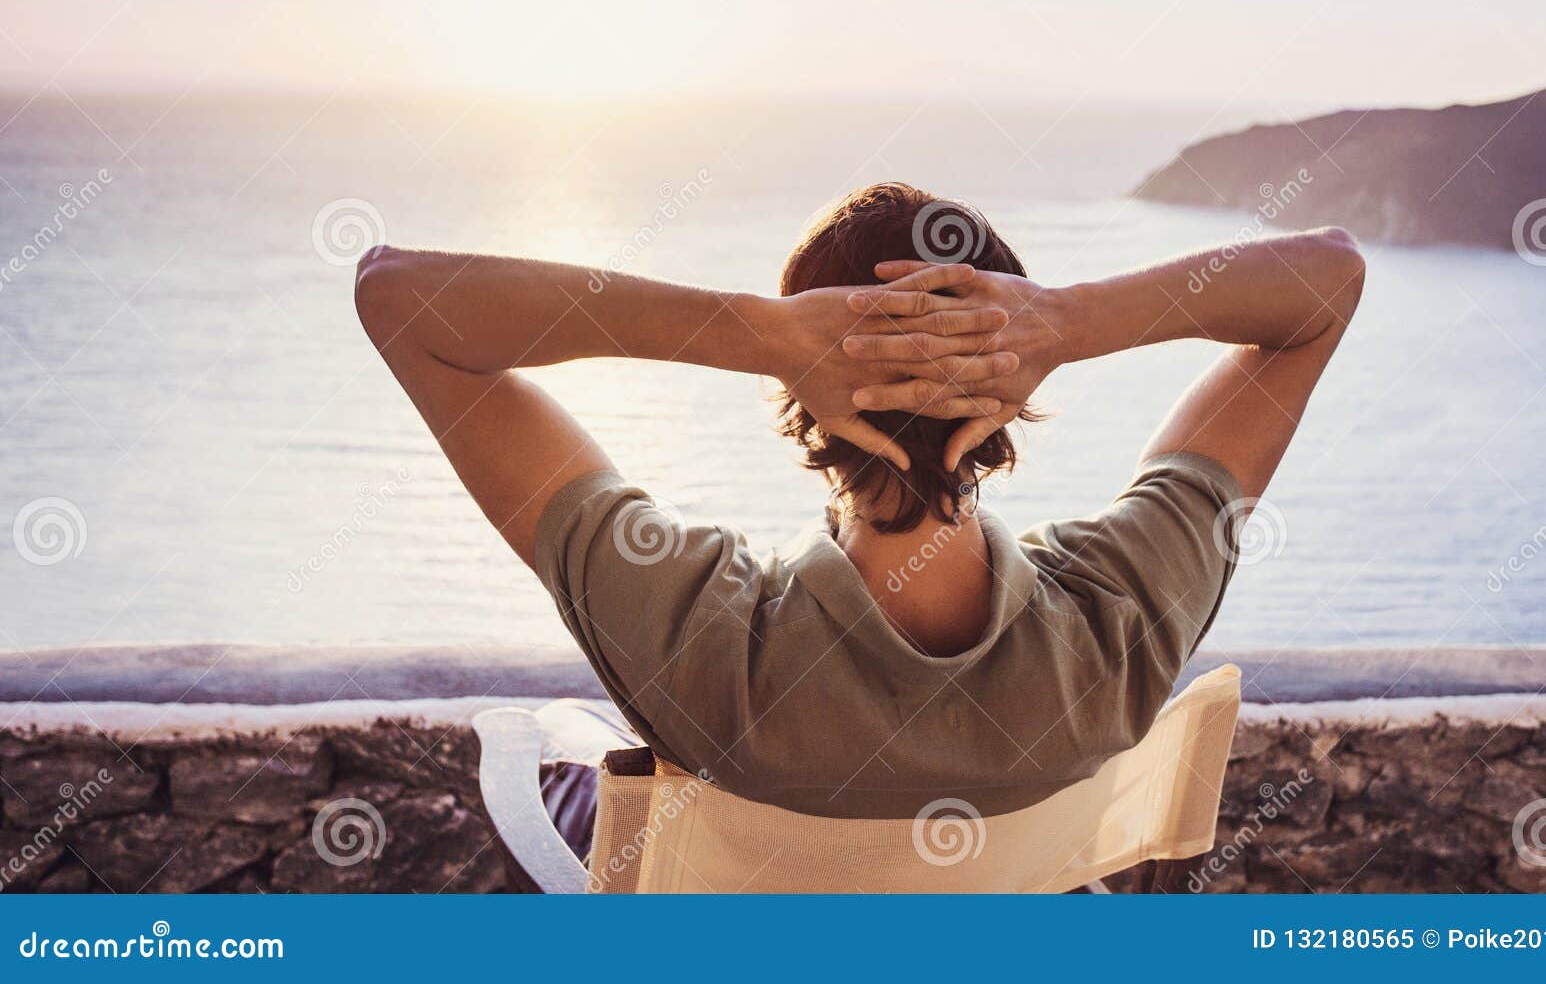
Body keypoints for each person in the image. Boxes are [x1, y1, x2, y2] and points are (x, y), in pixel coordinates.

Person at [354, 182, 1363, 831]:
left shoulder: (695, 633)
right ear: (1010, 390)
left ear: (801, 397)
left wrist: (753, 329)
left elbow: (397, 297)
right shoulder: (1121, 616)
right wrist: (1072, 318)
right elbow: (1327, 282)